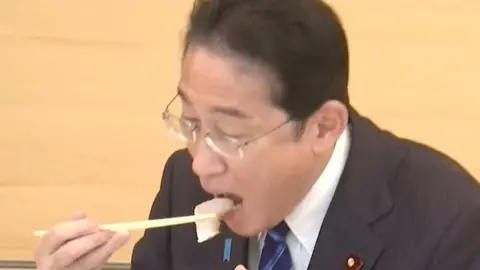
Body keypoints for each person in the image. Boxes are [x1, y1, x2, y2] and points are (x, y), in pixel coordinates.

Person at [34, 0, 480, 269]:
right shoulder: (183, 185)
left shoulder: (446, 223)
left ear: (324, 127)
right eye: (191, 123)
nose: (201, 165)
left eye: (229, 134)